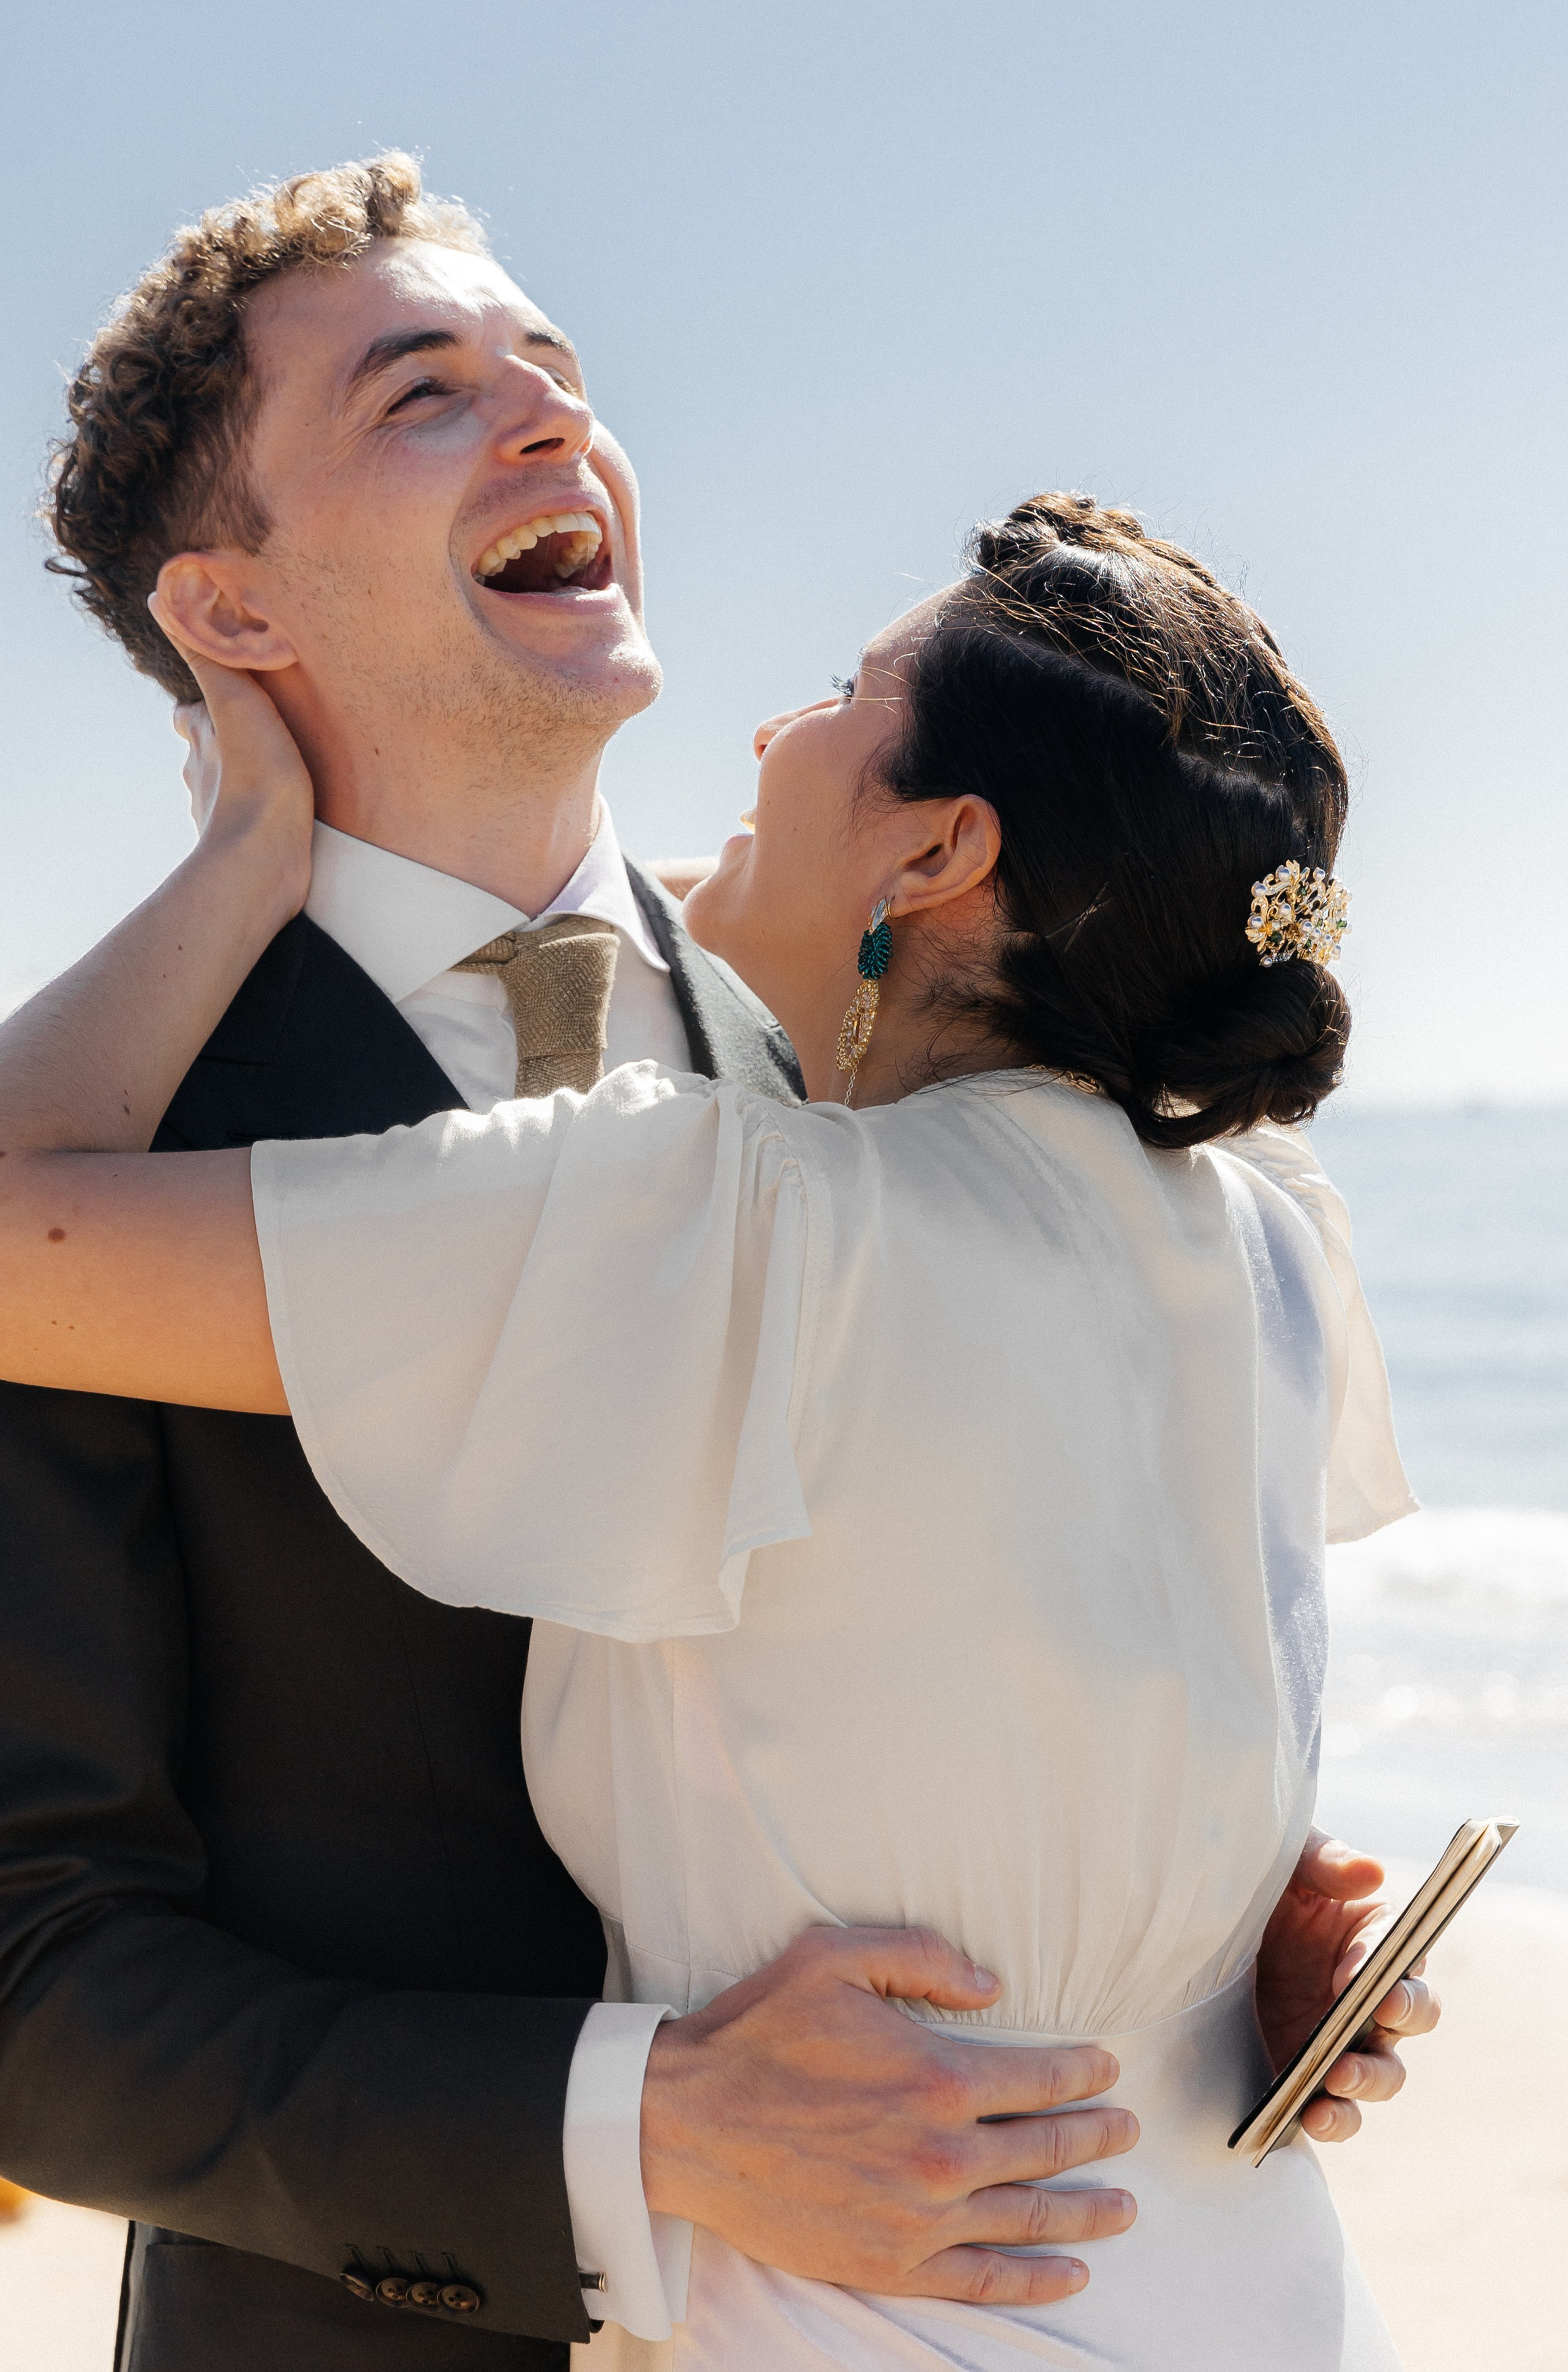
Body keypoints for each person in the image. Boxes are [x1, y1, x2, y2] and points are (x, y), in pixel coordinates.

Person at [0, 153, 1431, 2371]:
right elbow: (38, 1981)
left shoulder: (894, 1089)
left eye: (556, 368)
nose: (554, 419)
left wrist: (1190, 1951)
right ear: (232, 611)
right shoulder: (116, 1158)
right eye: (423, 398)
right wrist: (634, 2124)